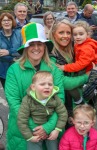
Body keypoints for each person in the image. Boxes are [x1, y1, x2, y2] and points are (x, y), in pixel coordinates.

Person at [4, 22, 64, 150]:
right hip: (23, 130)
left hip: (50, 131)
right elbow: (14, 103)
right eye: (31, 44)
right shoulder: (14, 70)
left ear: (44, 46)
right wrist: (34, 127)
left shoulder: (54, 70)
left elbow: (60, 100)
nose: (36, 48)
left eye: (39, 44)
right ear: (25, 47)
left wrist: (47, 127)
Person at [49, 18, 89, 128]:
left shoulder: (74, 48)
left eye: (68, 32)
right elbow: (63, 82)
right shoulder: (51, 53)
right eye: (61, 32)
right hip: (63, 103)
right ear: (53, 33)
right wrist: (86, 76)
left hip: (77, 99)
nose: (65, 36)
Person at [18, 71, 68, 149]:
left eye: (50, 84)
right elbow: (21, 119)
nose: (47, 87)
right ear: (33, 87)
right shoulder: (27, 100)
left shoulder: (55, 98)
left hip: (52, 130)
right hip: (34, 132)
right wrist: (29, 137)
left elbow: (63, 114)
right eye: (42, 84)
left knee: (53, 147)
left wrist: (57, 130)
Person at [57, 20, 97, 105]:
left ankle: (81, 102)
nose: (78, 37)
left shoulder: (87, 48)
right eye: (75, 34)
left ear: (87, 34)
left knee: (79, 88)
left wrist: (65, 67)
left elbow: (80, 64)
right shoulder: (79, 44)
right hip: (85, 69)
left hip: (87, 70)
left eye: (81, 34)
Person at [0, 13, 22, 88]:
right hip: (4, 72)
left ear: (12, 21)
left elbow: (23, 50)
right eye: (4, 20)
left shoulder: (19, 33)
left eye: (9, 20)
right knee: (9, 95)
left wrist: (8, 52)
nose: (6, 22)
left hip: (20, 69)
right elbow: (1, 56)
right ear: (1, 22)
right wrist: (14, 58)